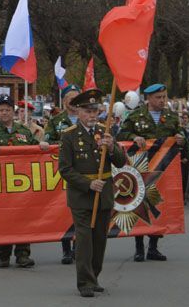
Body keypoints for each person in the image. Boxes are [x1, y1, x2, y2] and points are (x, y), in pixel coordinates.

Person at [58, 88, 126, 298]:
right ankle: (84, 281)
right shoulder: (69, 136)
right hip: (82, 195)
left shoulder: (104, 132)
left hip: (104, 193)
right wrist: (88, 185)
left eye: (95, 111)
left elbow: (121, 162)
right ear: (78, 112)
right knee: (85, 239)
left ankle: (94, 276)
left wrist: (112, 146)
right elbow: (65, 169)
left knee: (99, 239)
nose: (92, 115)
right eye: (87, 111)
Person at [0, 94, 50, 268]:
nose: (4, 113)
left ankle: (23, 254)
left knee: (23, 218)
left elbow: (35, 147)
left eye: (8, 110)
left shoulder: (24, 131)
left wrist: (41, 146)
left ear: (13, 111)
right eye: (1, 110)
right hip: (0, 184)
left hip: (22, 184)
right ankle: (3, 253)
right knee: (4, 219)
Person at [118, 83, 185, 262]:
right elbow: (121, 134)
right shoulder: (135, 116)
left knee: (159, 206)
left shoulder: (171, 117)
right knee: (140, 204)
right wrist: (134, 138)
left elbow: (182, 135)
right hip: (141, 167)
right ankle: (139, 248)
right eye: (158, 97)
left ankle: (153, 247)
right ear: (148, 98)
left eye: (164, 97)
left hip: (163, 169)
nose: (162, 100)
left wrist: (181, 138)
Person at [43, 84, 81, 264]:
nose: (73, 101)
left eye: (76, 98)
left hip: (83, 172)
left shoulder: (87, 118)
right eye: (70, 98)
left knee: (81, 211)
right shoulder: (56, 121)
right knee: (63, 211)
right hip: (62, 172)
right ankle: (66, 248)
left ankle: (79, 248)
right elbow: (47, 140)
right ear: (64, 101)